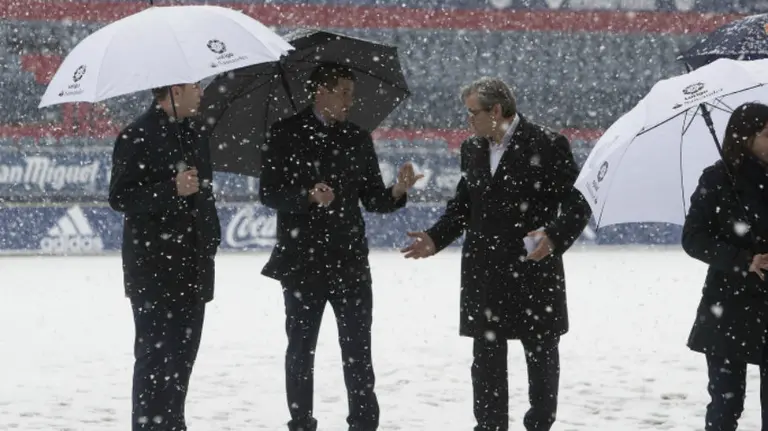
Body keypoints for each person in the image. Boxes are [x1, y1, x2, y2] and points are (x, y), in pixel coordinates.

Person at [401, 77, 591, 431]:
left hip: (534, 271)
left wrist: (554, 235)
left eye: (473, 113)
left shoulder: (548, 144)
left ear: (497, 110)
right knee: (486, 365)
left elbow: (578, 205)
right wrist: (433, 238)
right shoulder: (472, 149)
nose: (468, 121)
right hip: (485, 274)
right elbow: (462, 208)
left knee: (542, 365)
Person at [259, 63, 422, 431]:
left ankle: (363, 423)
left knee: (358, 352)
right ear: (321, 92)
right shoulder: (284, 134)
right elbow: (268, 193)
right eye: (344, 92)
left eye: (351, 92)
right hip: (301, 261)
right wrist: (307, 196)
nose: (351, 100)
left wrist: (398, 190)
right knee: (301, 351)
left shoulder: (357, 137)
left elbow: (374, 199)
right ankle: (301, 422)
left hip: (349, 261)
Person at [108, 82, 221, 431]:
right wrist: (170, 189)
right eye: (194, 87)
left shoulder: (197, 134)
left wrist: (210, 236)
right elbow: (120, 197)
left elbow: (203, 194)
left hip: (194, 267)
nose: (201, 93)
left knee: (182, 363)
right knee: (154, 361)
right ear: (174, 90)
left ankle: (173, 424)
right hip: (153, 270)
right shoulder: (136, 135)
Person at [682, 102, 768, 431]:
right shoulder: (718, 178)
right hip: (728, 304)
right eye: (767, 134)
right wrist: (746, 260)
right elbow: (694, 238)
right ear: (745, 137)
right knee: (726, 402)